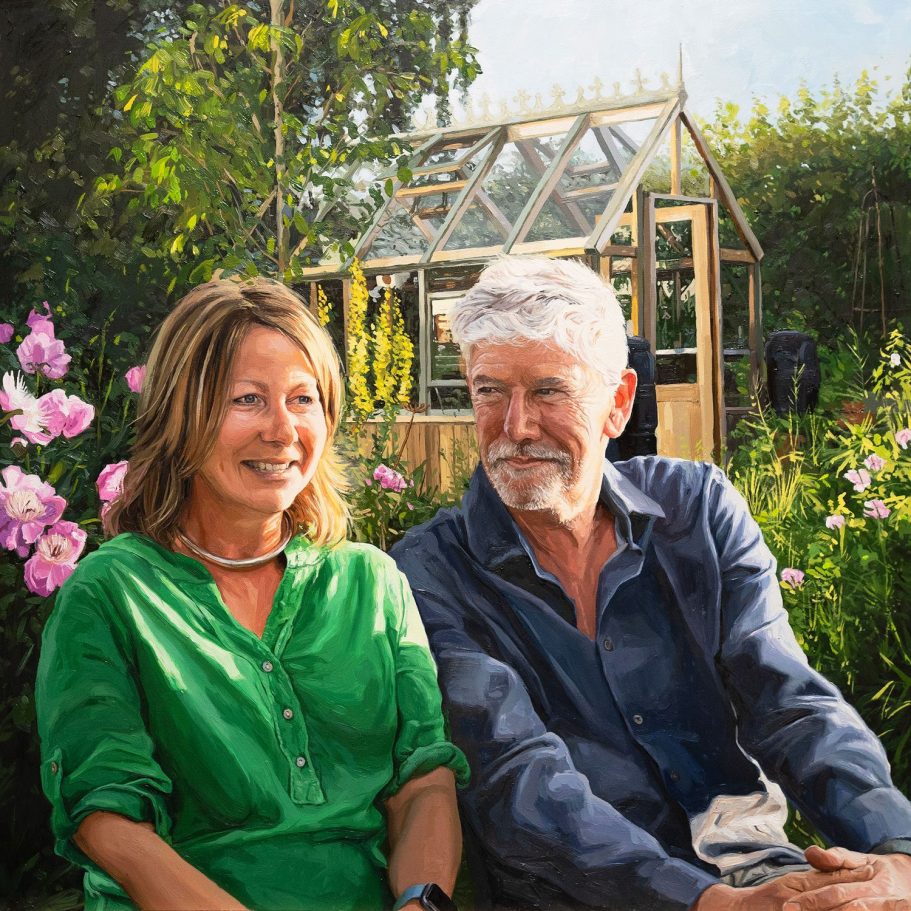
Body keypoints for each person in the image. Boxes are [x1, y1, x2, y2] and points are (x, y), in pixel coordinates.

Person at [391, 256, 911, 911]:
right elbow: (518, 781)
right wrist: (712, 903)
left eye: (547, 391)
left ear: (617, 402)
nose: (514, 426)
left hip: (759, 875)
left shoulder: (697, 508)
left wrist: (895, 853)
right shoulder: (428, 569)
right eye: (489, 390)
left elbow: (792, 705)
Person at [36, 278, 468, 911]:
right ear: (181, 416)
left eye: (302, 398)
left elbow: (424, 781)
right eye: (246, 400)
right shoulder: (111, 594)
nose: (282, 429)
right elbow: (110, 824)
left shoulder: (372, 583)